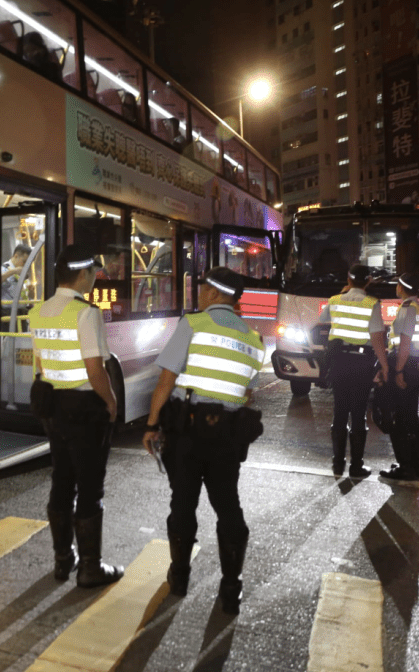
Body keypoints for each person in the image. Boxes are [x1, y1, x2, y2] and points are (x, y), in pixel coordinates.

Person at [141, 267, 266, 615]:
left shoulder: (193, 325)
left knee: (183, 504)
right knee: (228, 506)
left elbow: (166, 381)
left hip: (189, 434)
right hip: (226, 437)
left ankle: (179, 577)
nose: (199, 292)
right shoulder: (255, 340)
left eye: (202, 287)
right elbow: (247, 393)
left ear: (213, 292)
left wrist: (152, 425)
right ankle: (231, 588)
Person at [27, 244, 123, 588]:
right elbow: (95, 369)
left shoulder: (38, 311)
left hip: (54, 408)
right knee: (90, 487)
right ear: (82, 274)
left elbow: (41, 363)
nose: (96, 278)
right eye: (94, 273)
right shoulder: (86, 313)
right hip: (85, 410)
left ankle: (62, 560)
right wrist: (111, 403)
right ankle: (91, 568)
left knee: (62, 480)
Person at [318, 263, 390, 478]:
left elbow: (323, 321)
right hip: (361, 363)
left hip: (338, 361)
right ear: (368, 280)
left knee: (339, 411)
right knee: (358, 413)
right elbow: (377, 338)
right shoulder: (371, 303)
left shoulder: (334, 300)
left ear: (348, 280)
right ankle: (356, 466)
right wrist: (385, 366)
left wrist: (343, 293)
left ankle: (337, 464)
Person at [380, 273, 419, 481]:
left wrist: (398, 371)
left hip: (405, 366)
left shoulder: (408, 310)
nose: (396, 288)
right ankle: (413, 465)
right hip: (415, 366)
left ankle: (406, 466)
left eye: (398, 284)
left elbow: (405, 342)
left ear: (403, 287)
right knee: (411, 415)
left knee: (399, 418)